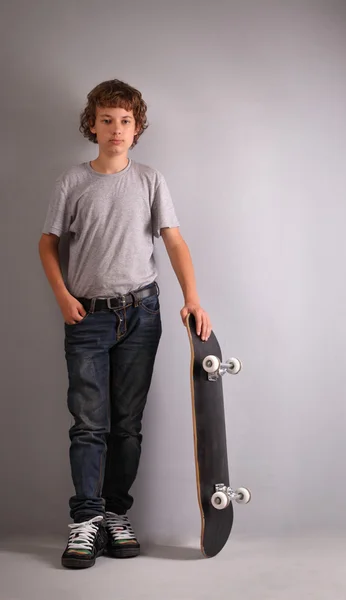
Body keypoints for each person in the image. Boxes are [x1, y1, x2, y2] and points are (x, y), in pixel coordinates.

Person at [38, 79, 211, 569]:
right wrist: (61, 295)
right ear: (91, 124)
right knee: (89, 425)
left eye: (125, 121)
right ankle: (85, 522)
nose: (116, 129)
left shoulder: (150, 180)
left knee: (127, 428)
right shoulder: (72, 181)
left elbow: (174, 241)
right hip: (87, 318)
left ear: (137, 129)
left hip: (142, 315)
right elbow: (47, 242)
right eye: (107, 120)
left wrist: (192, 297)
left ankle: (116, 515)